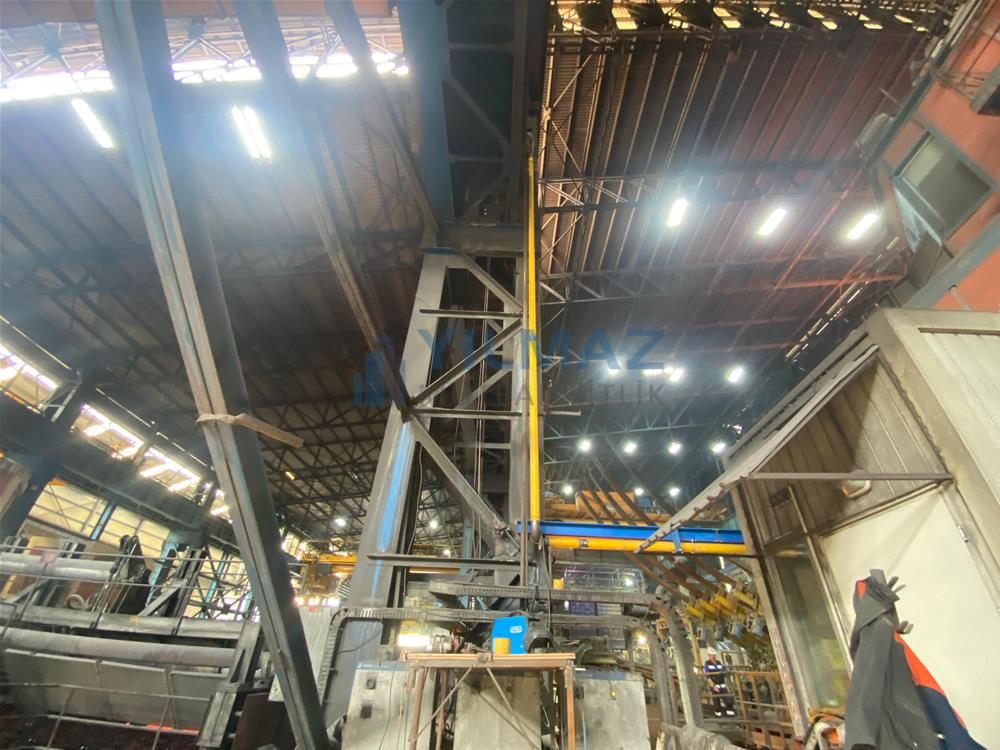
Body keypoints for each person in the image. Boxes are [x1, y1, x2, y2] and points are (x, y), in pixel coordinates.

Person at [704, 651, 736, 716]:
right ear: (709, 655)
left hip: (722, 685)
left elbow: (724, 672)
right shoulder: (707, 664)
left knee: (728, 699)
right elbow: (707, 676)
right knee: (717, 701)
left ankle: (730, 714)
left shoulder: (718, 663)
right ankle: (718, 714)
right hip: (715, 685)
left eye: (714, 655)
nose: (713, 656)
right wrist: (713, 686)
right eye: (712, 655)